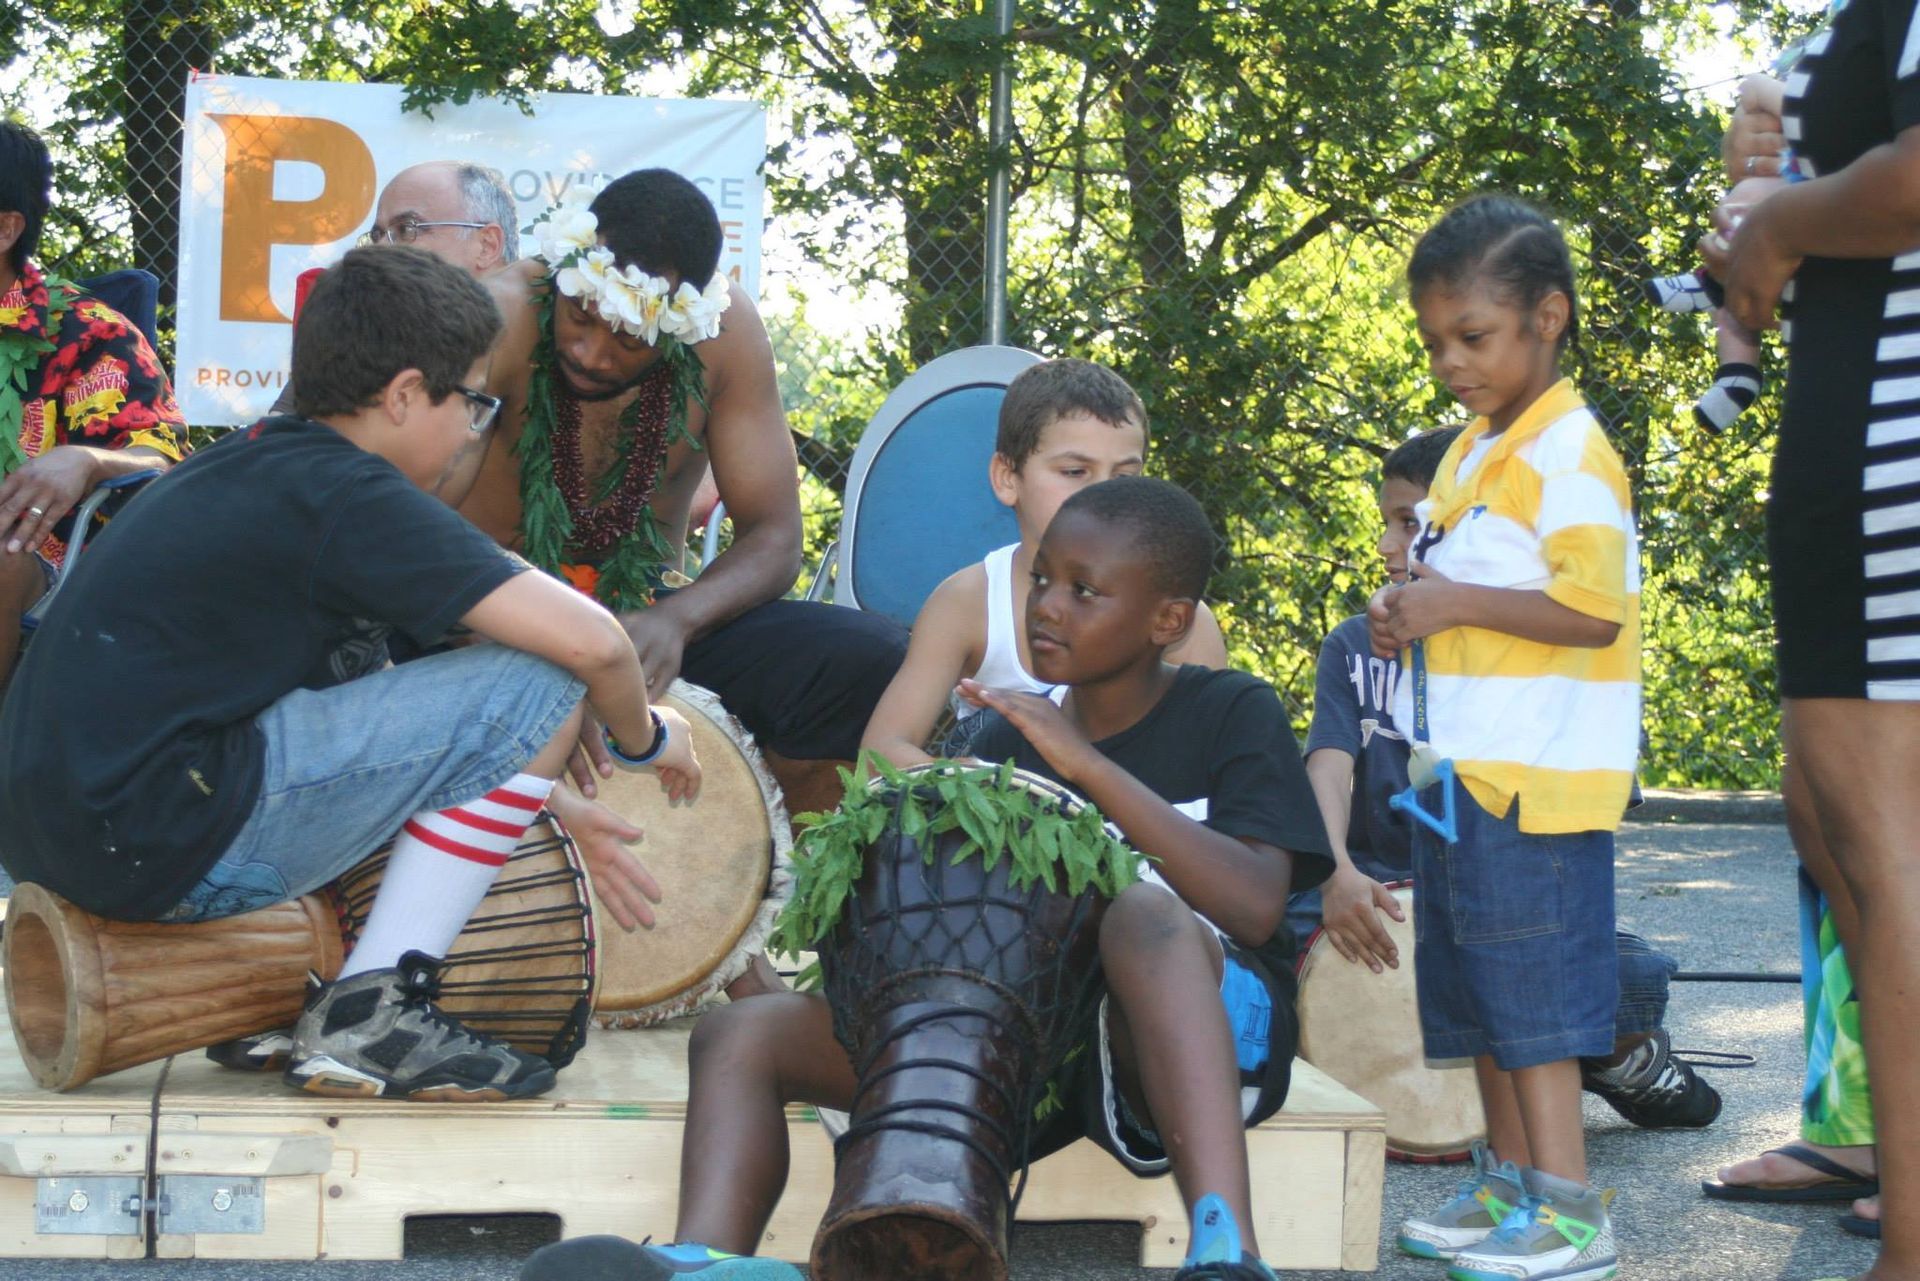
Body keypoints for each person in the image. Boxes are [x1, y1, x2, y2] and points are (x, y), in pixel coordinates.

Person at [518, 475, 1336, 1281]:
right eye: (1043, 577)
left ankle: (1227, 1250)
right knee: (745, 1032)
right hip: (1045, 1050)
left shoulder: (1230, 710)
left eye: (1085, 591)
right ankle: (709, 1259)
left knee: (1140, 915)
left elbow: (1256, 906)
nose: (1047, 603)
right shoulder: (1000, 748)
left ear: (1169, 620)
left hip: (1212, 1042)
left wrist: (1081, 765)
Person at [0, 244, 700, 1101]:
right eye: (473, 402)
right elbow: (596, 646)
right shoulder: (352, 495)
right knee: (536, 676)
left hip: (58, 839)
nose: (476, 428)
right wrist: (648, 738)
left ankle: (283, 998)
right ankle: (372, 1012)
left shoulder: (256, 457)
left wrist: (548, 800)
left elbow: (362, 718)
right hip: (153, 837)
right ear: (407, 394)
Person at [1300, 424, 1719, 1132]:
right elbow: (1328, 764)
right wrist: (1334, 868)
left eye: (1409, 524)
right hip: (1375, 899)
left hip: (1502, 907)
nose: (1386, 547)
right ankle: (1573, 1055)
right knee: (1271, 938)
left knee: (1631, 973)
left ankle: (1623, 1058)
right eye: (1387, 523)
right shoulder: (1352, 644)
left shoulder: (1545, 656)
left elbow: (1571, 855)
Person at [1372, 195, 1637, 1280]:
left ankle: (1574, 1218)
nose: (1449, 362)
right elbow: (1448, 583)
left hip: (1532, 783)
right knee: (1473, 989)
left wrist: (1451, 609)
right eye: (1435, 341)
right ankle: (1508, 1190)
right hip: (1455, 775)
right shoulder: (1473, 451)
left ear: (1548, 318)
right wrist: (1408, 605)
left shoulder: (1570, 453)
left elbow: (1593, 610)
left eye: (1472, 337)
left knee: (1532, 998)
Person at [460, 168, 908, 799]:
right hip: (483, 619)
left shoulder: (722, 334)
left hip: (644, 626)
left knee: (865, 659)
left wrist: (679, 619)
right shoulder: (501, 311)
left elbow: (776, 537)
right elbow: (397, 508)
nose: (590, 352)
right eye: (581, 317)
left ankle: (778, 884)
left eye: (627, 337)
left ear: (681, 325)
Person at [1706, 3, 1920, 1270]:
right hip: (1865, 429)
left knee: (1888, 862)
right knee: (1854, 845)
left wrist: (1780, 226)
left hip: (1888, 447)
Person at [860, 356, 1228, 766]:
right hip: (998, 824)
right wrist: (964, 779)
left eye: (1124, 477)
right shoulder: (968, 604)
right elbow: (879, 754)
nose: (1104, 495)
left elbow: (1212, 775)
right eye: (1074, 471)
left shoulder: (1176, 622)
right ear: (1007, 477)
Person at [0, 118, 186, 679]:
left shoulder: (86, 333)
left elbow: (163, 458)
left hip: (36, 558)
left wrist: (87, 458)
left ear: (6, 228)